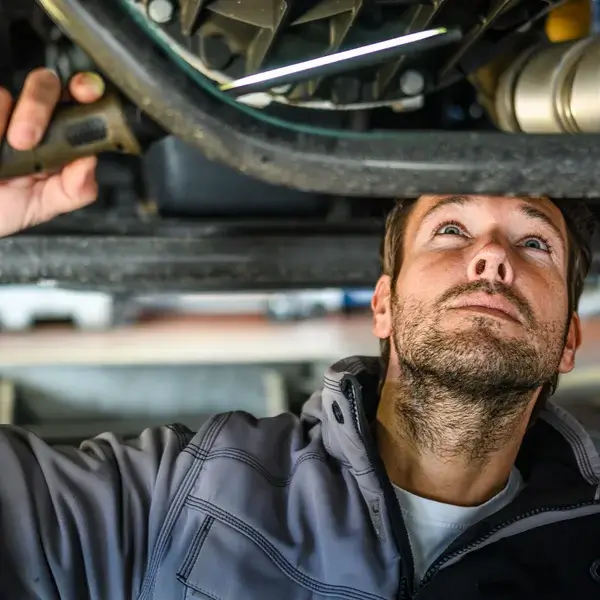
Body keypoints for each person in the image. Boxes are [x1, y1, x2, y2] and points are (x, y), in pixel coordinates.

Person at [1, 69, 599, 600]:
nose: (491, 256)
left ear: (569, 338)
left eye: (533, 243)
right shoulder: (181, 497)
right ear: (384, 306)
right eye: (449, 230)